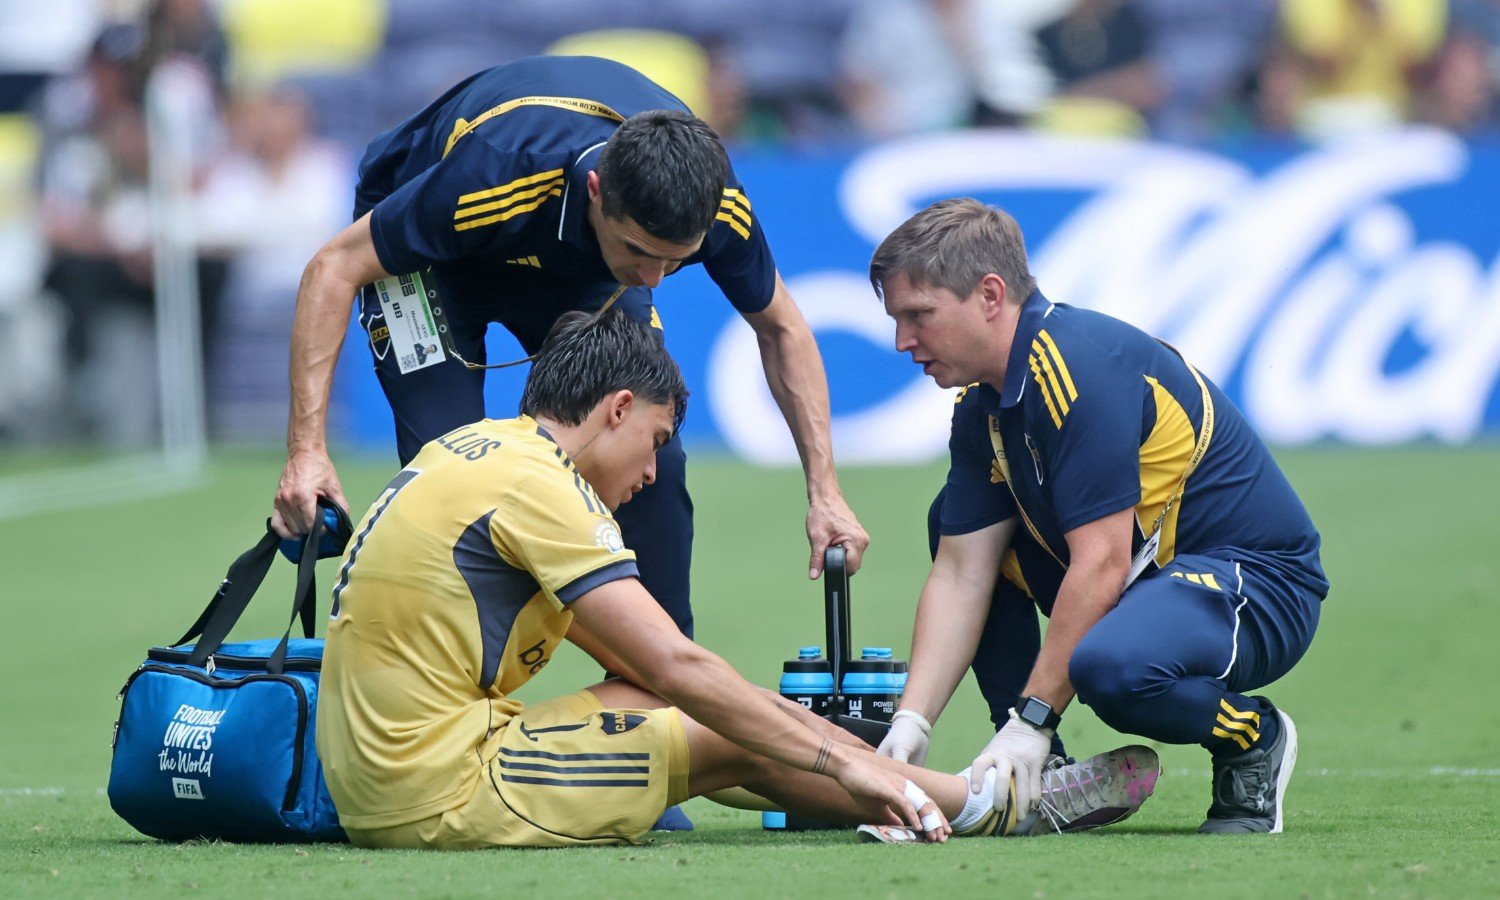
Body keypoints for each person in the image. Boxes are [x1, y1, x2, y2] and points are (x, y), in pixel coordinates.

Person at [315, 309, 1159, 849]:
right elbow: (682, 670)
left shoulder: (479, 449)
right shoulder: (543, 488)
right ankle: (991, 802)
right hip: (440, 795)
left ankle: (915, 796)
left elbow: (653, 669)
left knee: (693, 710)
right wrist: (841, 755)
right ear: (615, 409)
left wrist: (798, 731)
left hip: (384, 773)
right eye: (655, 440)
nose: (652, 472)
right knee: (714, 722)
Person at [270, 54, 869, 646]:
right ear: (596, 190)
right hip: (433, 259)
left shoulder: (715, 206)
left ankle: (661, 680)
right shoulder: (498, 172)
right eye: (642, 250)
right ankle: (458, 690)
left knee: (648, 446)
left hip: (582, 269)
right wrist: (307, 453)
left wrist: (826, 493)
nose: (656, 278)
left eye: (675, 259)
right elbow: (333, 267)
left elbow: (783, 328)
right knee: (452, 480)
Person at [871, 198, 1328, 835]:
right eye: (896, 319)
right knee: (954, 521)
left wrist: (1032, 719)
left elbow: (1103, 563)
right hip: (1149, 580)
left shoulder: (1078, 369)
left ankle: (1252, 737)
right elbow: (960, 573)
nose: (902, 342)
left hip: (1258, 587)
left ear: (991, 294)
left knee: (1113, 668)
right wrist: (911, 724)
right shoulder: (982, 407)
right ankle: (1039, 773)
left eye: (918, 315)